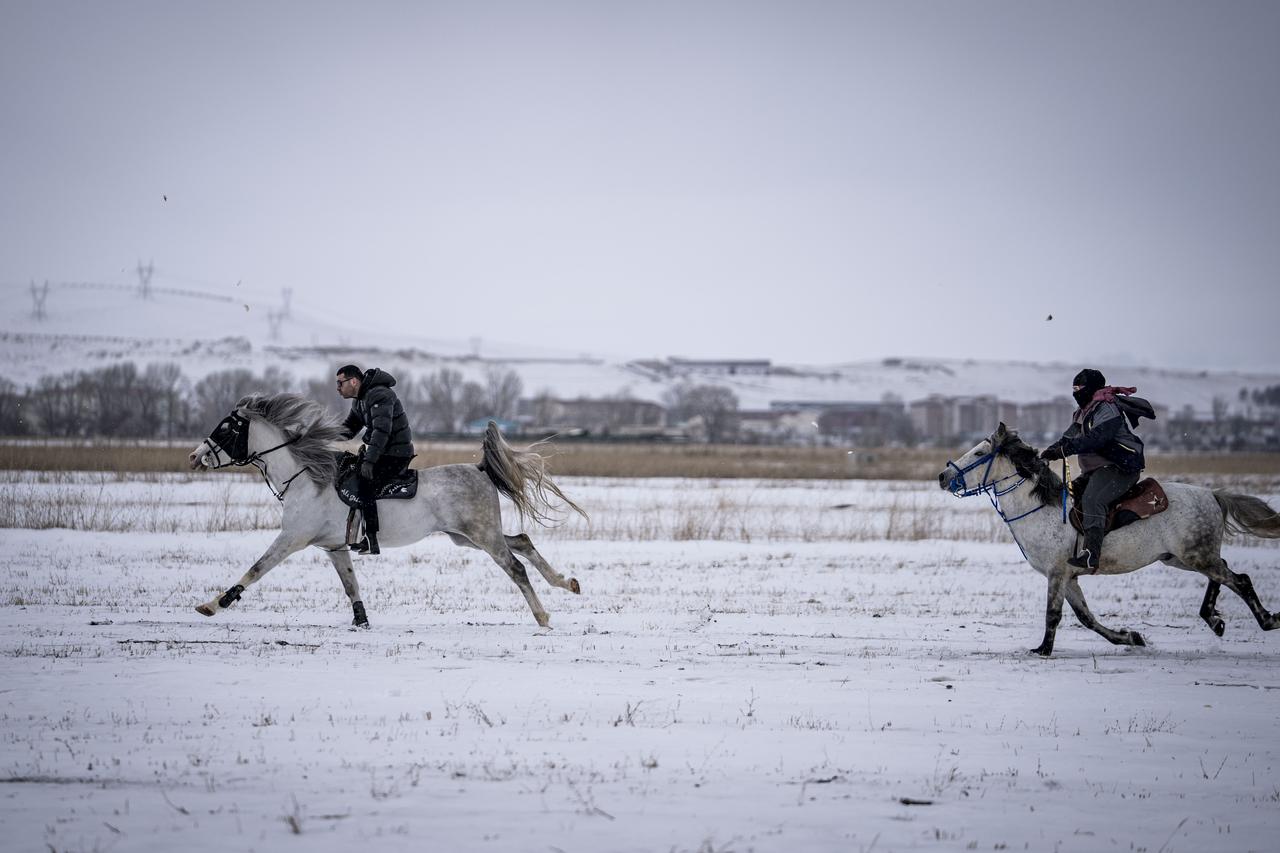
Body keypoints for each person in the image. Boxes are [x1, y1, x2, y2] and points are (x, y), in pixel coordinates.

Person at [1039, 368, 1146, 571]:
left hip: (1120, 468)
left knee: (1092, 500)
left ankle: (1091, 554)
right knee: (1067, 494)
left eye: (1079, 388)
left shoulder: (1107, 408)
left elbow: (1097, 439)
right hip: (1096, 471)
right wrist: (1049, 452)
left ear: (1091, 389)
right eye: (1073, 388)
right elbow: (1068, 439)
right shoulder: (1081, 412)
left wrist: (1065, 450)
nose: (1075, 392)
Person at [336, 364, 414, 555]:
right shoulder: (360, 401)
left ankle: (371, 539)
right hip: (383, 452)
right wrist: (318, 433)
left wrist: (369, 462)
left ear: (353, 381)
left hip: (396, 454)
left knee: (364, 481)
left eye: (340, 383)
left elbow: (382, 432)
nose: (338, 388)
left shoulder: (379, 394)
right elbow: (347, 430)